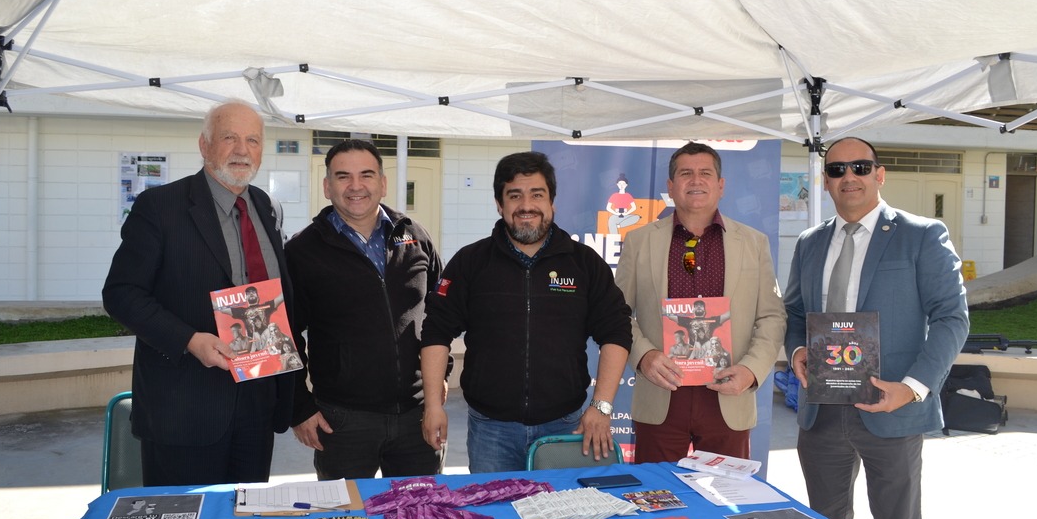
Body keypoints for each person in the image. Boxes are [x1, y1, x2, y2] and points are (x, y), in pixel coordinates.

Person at [783, 136, 969, 519]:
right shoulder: (810, 243)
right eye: (837, 169)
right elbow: (795, 313)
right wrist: (798, 350)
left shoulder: (921, 234)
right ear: (825, 181)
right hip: (822, 411)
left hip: (892, 409)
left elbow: (952, 317)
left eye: (860, 167)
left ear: (879, 175)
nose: (849, 177)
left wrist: (913, 386)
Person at [103, 100, 296, 486]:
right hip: (184, 410)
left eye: (253, 140)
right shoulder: (160, 206)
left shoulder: (267, 207)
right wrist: (190, 340)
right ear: (204, 145)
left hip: (257, 405)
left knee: (244, 516)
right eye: (229, 138)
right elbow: (121, 293)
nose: (242, 150)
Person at [419, 151, 633, 472]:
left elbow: (616, 331)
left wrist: (601, 407)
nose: (526, 205)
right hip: (491, 432)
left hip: (565, 426)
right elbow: (436, 331)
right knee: (498, 506)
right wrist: (433, 405)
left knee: (564, 506)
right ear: (499, 204)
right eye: (515, 195)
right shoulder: (470, 262)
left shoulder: (585, 263)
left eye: (537, 194)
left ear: (552, 202)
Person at [615, 141, 786, 462]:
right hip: (662, 394)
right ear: (670, 186)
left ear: (721, 185)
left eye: (705, 173)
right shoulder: (639, 241)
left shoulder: (753, 243)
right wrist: (644, 356)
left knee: (725, 492)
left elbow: (772, 317)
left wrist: (751, 371)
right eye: (685, 174)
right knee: (659, 490)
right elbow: (617, 313)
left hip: (728, 395)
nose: (696, 180)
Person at [285, 139, 444, 479]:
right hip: (343, 421)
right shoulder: (302, 250)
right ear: (327, 187)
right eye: (343, 176)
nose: (356, 186)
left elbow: (441, 315)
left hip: (417, 417)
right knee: (347, 510)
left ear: (382, 184)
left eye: (366, 175)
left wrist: (440, 379)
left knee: (421, 508)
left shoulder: (415, 236)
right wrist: (299, 407)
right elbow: (286, 333)